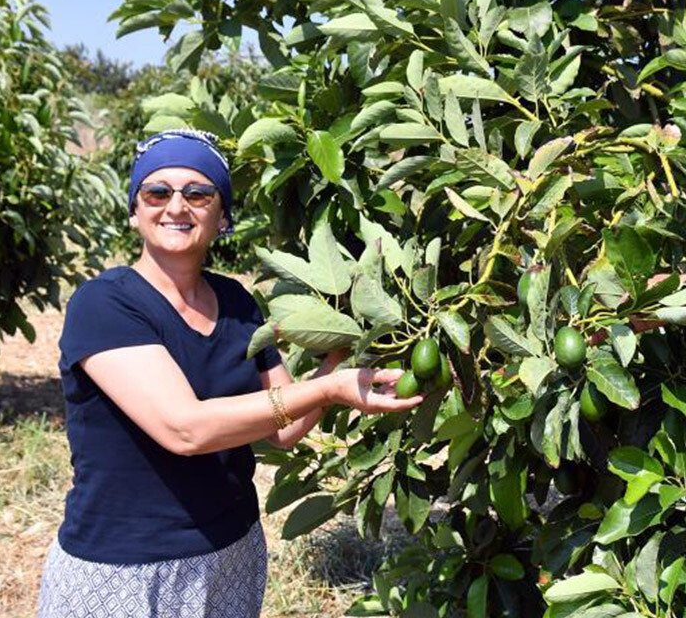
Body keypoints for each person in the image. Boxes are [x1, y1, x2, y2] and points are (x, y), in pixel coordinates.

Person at [37, 129, 421, 617]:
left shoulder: (238, 303)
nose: (177, 206)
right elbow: (184, 428)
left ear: (222, 218)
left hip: (230, 551)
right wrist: (329, 387)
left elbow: (285, 428)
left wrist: (344, 358)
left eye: (198, 193)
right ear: (135, 210)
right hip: (126, 567)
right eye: (157, 192)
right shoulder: (104, 304)